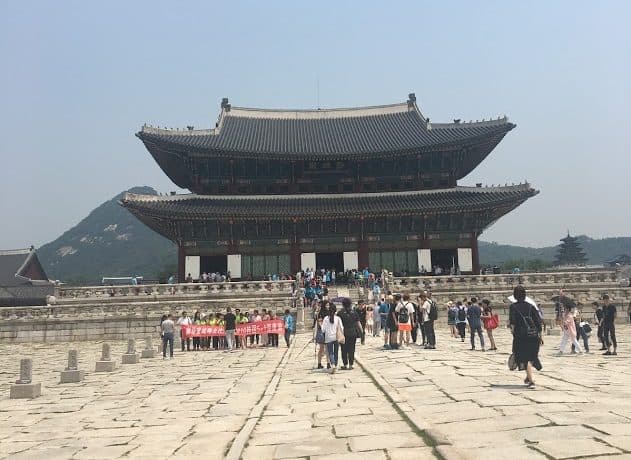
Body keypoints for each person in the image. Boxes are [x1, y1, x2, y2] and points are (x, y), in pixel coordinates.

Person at [509, 285, 542, 388]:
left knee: (525, 357)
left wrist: (513, 332)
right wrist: (541, 336)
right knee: (531, 356)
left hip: (520, 335)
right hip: (533, 335)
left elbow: (513, 323)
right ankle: (528, 376)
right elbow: (538, 322)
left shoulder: (513, 307)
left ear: (515, 295)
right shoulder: (531, 306)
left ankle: (531, 381)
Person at [338, 299, 362, 370]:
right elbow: (358, 324)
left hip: (343, 333)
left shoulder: (340, 313)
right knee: (352, 349)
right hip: (353, 333)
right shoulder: (354, 312)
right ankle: (351, 364)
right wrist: (362, 334)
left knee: (344, 349)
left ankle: (345, 364)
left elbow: (338, 325)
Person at [321, 304, 343, 373]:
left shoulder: (325, 319)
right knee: (336, 352)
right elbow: (341, 328)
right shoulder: (338, 318)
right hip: (336, 337)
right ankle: (335, 366)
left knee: (330, 352)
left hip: (328, 338)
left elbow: (323, 329)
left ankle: (332, 364)